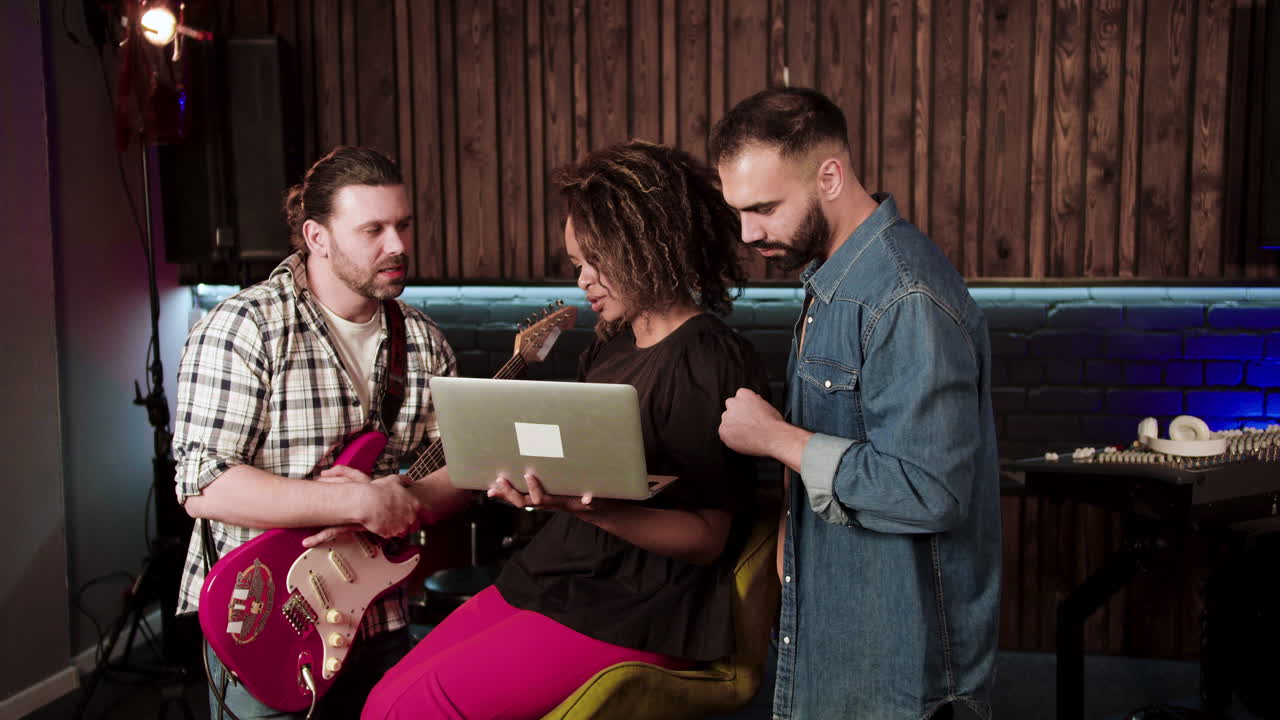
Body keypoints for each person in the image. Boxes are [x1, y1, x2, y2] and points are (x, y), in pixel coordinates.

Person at [360, 140, 773, 720]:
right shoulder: (613, 346)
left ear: (648, 245)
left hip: (636, 604)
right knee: (381, 702)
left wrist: (588, 509)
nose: (583, 279)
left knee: (405, 713)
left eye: (594, 260)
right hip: (560, 576)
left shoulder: (708, 359)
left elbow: (706, 538)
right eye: (576, 263)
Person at [711, 87, 1001, 719]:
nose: (747, 233)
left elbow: (930, 489)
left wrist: (774, 438)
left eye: (763, 208)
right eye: (737, 212)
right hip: (844, 643)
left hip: (898, 675)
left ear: (831, 176)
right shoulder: (835, 280)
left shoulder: (903, 296)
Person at [172, 146, 468, 719]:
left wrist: (408, 500)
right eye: (373, 230)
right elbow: (203, 485)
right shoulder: (246, 327)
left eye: (403, 225)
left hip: (380, 615)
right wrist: (353, 500)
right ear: (317, 236)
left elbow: (463, 474)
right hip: (264, 621)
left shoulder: (427, 343)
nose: (399, 246)